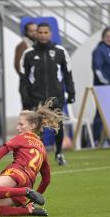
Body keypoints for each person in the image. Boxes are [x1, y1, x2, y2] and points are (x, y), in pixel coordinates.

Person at [0, 99, 63, 217]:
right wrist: (32, 202)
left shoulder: (22, 137)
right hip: (27, 183)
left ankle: (25, 192)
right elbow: (46, 179)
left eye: (21, 124)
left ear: (32, 125)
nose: (18, 128)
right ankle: (28, 210)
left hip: (17, 175)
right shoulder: (42, 148)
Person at [22, 22, 75, 165]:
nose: (43, 35)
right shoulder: (28, 54)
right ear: (36, 34)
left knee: (57, 126)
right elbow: (23, 79)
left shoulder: (60, 51)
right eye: (40, 32)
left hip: (55, 97)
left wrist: (71, 92)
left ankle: (58, 153)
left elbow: (68, 73)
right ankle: (36, 157)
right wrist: (25, 98)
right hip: (36, 98)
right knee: (34, 129)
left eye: (46, 32)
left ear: (50, 34)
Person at [15, 22, 38, 110]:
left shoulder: (38, 44)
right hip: (27, 85)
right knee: (29, 112)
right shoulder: (22, 46)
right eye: (31, 31)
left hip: (39, 85)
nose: (34, 33)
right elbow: (18, 66)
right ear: (26, 32)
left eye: (36, 30)